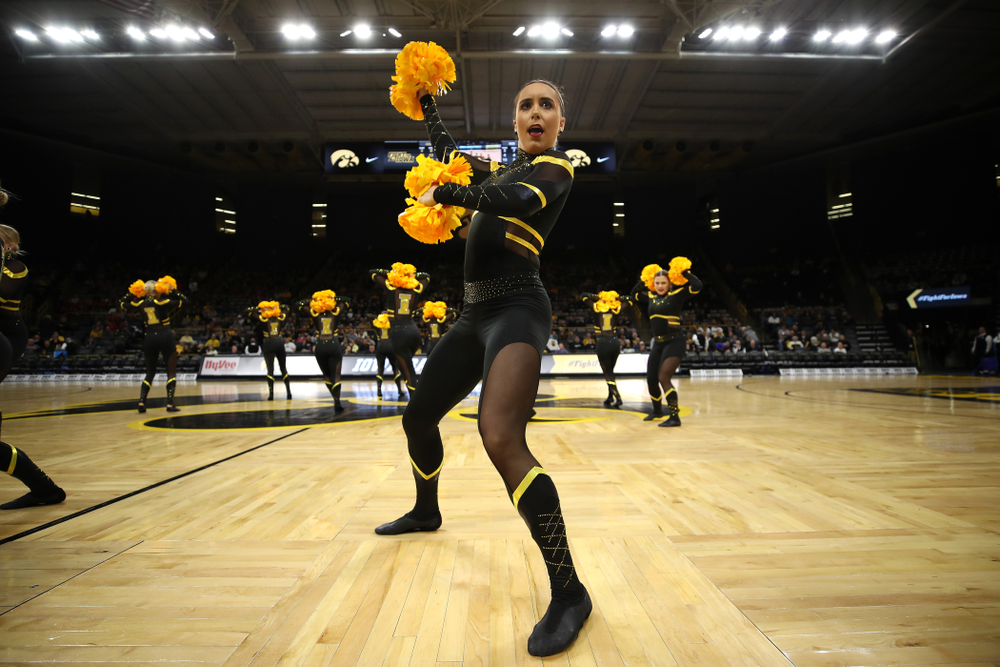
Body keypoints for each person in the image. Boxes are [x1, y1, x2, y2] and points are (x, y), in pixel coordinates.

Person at [375, 79, 590, 656]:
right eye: (526, 105)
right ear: (515, 121)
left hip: (519, 308)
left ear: (560, 123)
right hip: (473, 316)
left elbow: (515, 205)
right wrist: (427, 104)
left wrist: (449, 193)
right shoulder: (495, 173)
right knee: (417, 419)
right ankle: (426, 512)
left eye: (548, 104)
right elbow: (449, 153)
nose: (536, 112)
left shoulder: (557, 169)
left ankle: (570, 592)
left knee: (498, 435)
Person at [0, 214, 66, 510]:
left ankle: (44, 488)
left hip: (8, 334)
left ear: (10, 245)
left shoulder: (15, 267)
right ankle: (43, 488)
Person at [631, 263, 702, 427]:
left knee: (664, 378)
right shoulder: (650, 297)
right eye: (657, 283)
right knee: (651, 379)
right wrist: (645, 280)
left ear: (670, 283)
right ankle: (657, 411)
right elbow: (633, 294)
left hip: (675, 341)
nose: (660, 286)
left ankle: (675, 416)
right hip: (658, 343)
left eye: (663, 283)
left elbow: (698, 285)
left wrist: (684, 272)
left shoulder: (677, 294)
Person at [120, 276, 188, 413]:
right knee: (171, 371)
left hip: (149, 337)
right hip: (165, 335)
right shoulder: (162, 302)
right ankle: (169, 403)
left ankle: (141, 402)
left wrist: (133, 292)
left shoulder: (140, 304)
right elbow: (185, 301)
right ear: (157, 290)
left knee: (150, 373)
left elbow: (122, 303)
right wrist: (173, 290)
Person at [370, 263, 430, 397]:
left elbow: (373, 273)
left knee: (407, 370)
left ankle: (416, 402)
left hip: (398, 333)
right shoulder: (416, 289)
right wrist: (412, 275)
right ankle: (416, 398)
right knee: (406, 366)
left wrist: (391, 273)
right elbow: (426, 276)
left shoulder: (391, 288)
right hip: (414, 331)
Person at [296, 290, 351, 411]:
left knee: (326, 375)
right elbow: (347, 300)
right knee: (336, 376)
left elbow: (299, 304)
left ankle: (334, 398)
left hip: (320, 345)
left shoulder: (314, 313)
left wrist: (313, 302)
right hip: (333, 344)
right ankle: (337, 401)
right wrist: (333, 298)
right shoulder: (336, 312)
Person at [580, 290, 633, 407]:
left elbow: (584, 295)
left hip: (602, 342)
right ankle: (610, 397)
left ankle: (618, 398)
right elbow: (630, 299)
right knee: (611, 371)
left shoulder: (596, 308)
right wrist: (618, 298)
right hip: (614, 341)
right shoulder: (616, 310)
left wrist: (598, 297)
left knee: (607, 373)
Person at [246, 301, 292, 400]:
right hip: (279, 342)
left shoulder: (263, 319)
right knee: (283, 368)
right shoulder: (280, 318)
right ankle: (289, 392)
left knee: (270, 369)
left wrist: (258, 309)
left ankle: (271, 394)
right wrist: (281, 306)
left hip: (269, 343)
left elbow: (250, 312)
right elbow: (287, 308)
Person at [371, 312, 403, 399]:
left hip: (380, 345)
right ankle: (400, 389)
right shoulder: (391, 323)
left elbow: (371, 321)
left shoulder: (377, 324)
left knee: (380, 369)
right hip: (390, 345)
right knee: (395, 368)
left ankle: (379, 390)